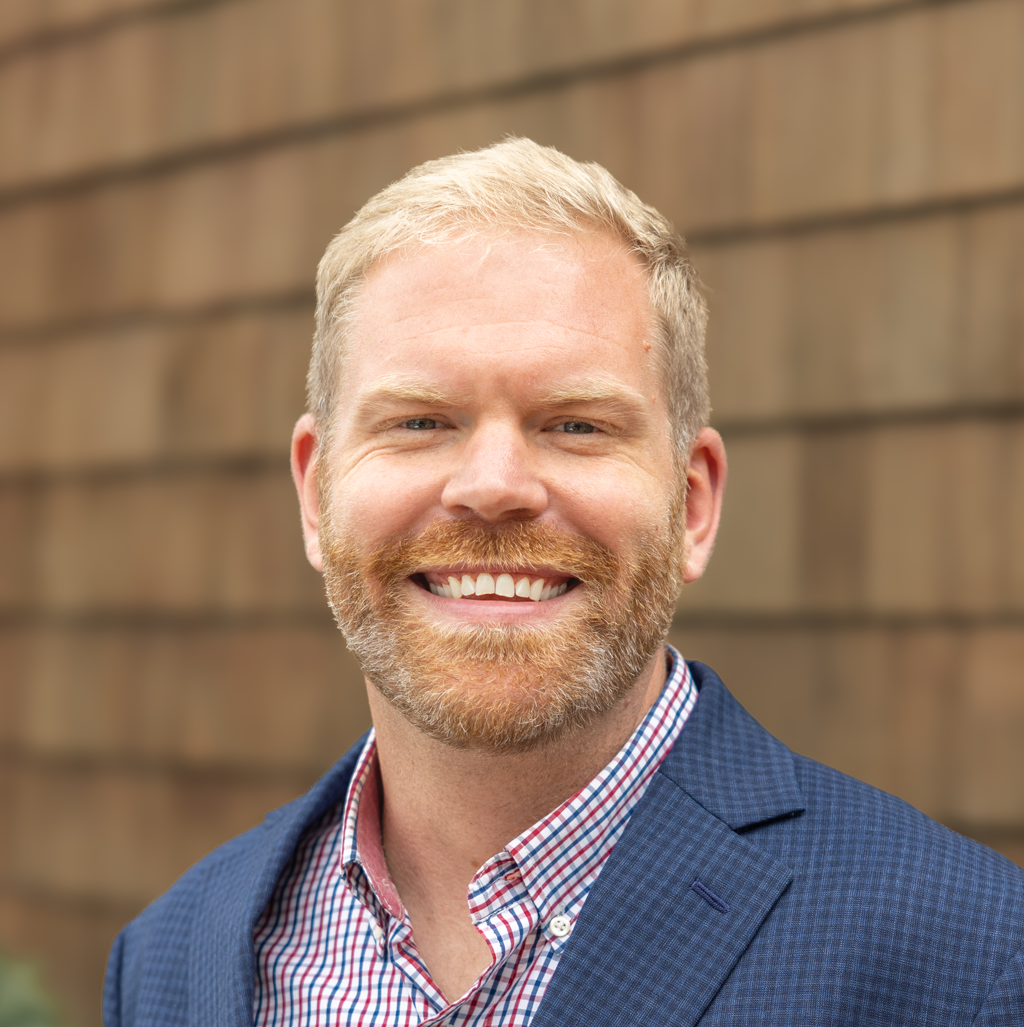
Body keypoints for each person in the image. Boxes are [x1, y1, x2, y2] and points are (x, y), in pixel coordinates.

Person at [103, 138, 1024, 1026]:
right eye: (420, 421)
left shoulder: (969, 960)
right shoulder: (169, 960)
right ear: (316, 493)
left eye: (576, 425)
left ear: (694, 504)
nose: (493, 485)